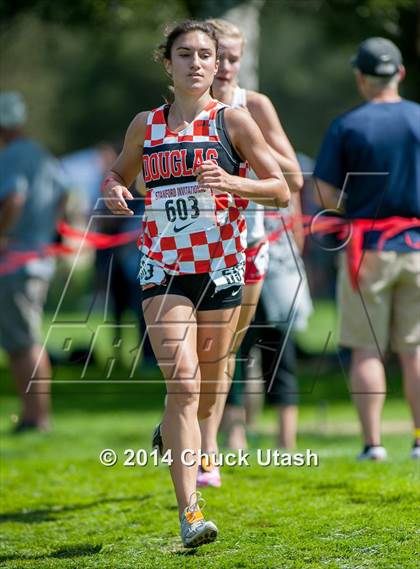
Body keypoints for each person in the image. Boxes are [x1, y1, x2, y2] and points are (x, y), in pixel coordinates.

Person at [101, 20, 291, 547]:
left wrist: (233, 181)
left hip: (221, 269)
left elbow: (279, 191)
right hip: (163, 268)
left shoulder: (234, 121)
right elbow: (118, 173)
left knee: (205, 393)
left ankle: (171, 431)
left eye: (205, 54)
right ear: (167, 62)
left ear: (216, 63)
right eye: (184, 54)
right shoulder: (147, 124)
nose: (197, 63)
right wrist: (115, 189)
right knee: (183, 384)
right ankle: (190, 515)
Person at [197, 18, 303, 486]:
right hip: (194, 247)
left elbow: (294, 179)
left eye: (233, 58)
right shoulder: (181, 111)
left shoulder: (253, 105)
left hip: (249, 245)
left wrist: (247, 141)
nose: (224, 67)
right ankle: (206, 448)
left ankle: (205, 442)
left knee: (224, 353)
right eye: (216, 57)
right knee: (196, 353)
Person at [314, 37, 420, 460]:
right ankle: (418, 440)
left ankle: (372, 444)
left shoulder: (348, 125)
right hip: (417, 245)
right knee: (414, 347)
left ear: (360, 77)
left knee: (367, 347)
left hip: (368, 246)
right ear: (400, 73)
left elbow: (323, 192)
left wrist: (350, 209)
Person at [0, 91, 70, 432]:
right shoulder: (42, 154)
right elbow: (63, 194)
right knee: (27, 338)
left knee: (22, 342)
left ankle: (35, 417)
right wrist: (46, 228)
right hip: (39, 258)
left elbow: (14, 197)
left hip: (16, 261)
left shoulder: (11, 157)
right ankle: (35, 415)